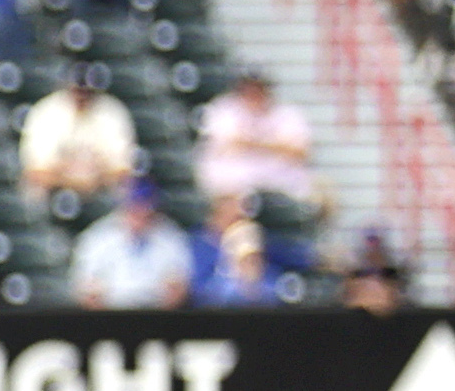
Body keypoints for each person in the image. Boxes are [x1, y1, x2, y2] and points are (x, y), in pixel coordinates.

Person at [193, 70, 322, 232]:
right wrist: (274, 146)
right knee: (230, 206)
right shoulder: (224, 110)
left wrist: (253, 144)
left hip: (281, 187)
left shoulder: (287, 114)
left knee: (321, 200)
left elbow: (301, 152)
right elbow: (227, 145)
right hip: (236, 189)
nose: (253, 93)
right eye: (248, 88)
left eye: (258, 88)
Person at [16, 69, 141, 204]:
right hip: (54, 191)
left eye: (87, 91)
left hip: (102, 189)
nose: (82, 95)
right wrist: (77, 182)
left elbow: (124, 170)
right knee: (33, 189)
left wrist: (91, 179)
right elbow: (36, 172)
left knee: (127, 189)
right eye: (77, 90)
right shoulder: (46, 111)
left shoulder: (111, 111)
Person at [67, 181, 193, 309]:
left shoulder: (171, 237)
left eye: (145, 206)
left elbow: (179, 289)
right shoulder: (98, 237)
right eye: (135, 207)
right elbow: (85, 291)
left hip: (155, 312)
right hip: (111, 312)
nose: (140, 212)